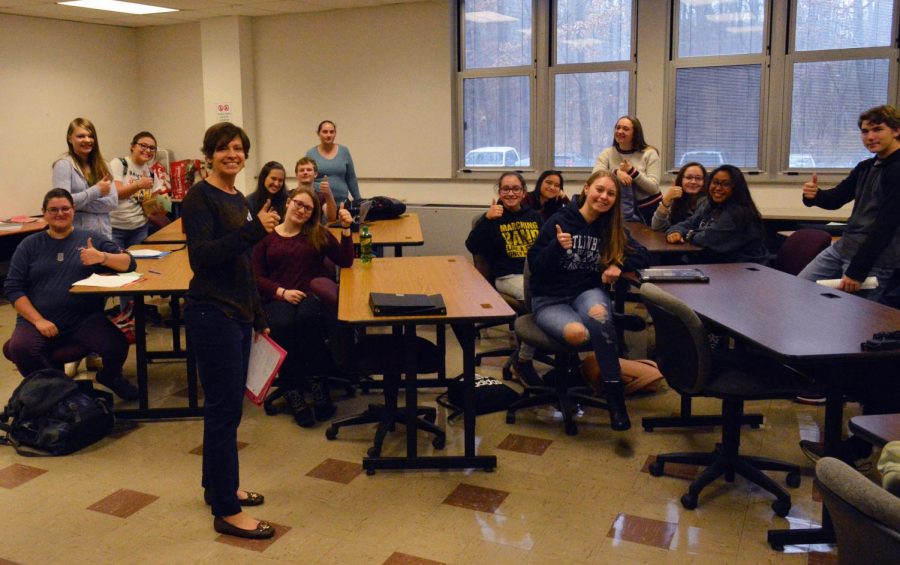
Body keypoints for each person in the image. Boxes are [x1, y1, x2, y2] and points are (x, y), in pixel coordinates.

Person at [182, 122, 280, 540]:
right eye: (223, 149)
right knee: (224, 413)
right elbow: (203, 259)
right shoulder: (198, 197)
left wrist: (258, 316)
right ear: (209, 154)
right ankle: (227, 509)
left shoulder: (237, 196)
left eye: (239, 149)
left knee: (226, 411)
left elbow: (243, 264)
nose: (232, 155)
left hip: (238, 313)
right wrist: (254, 229)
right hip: (212, 313)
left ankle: (217, 487)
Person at [527, 170, 650, 431]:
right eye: (599, 190)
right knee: (578, 335)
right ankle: (606, 328)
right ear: (586, 189)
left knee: (599, 316)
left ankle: (616, 402)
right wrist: (556, 248)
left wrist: (618, 263)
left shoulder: (611, 227)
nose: (604, 197)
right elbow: (536, 266)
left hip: (585, 292)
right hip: (550, 299)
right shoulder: (560, 220)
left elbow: (644, 256)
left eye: (611, 194)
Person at [3, 189, 138, 401]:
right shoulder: (29, 245)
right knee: (20, 348)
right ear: (44, 213)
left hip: (82, 318)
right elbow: (13, 288)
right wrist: (38, 321)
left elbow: (129, 263)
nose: (60, 213)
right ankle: (59, 392)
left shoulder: (90, 239)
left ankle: (110, 377)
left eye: (65, 208)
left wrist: (101, 257)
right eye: (53, 209)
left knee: (117, 345)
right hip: (37, 320)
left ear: (73, 210)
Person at [252, 187, 354, 426]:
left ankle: (318, 385)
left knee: (308, 321)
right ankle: (292, 391)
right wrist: (282, 292)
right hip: (278, 296)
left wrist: (347, 229)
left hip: (310, 295)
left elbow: (345, 261)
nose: (302, 210)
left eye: (308, 208)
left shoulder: (317, 233)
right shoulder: (266, 235)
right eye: (298, 204)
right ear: (288, 203)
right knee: (283, 324)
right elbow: (255, 276)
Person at [798, 104, 900, 303]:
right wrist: (814, 196)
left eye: (878, 129)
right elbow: (836, 199)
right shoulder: (867, 167)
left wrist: (857, 271)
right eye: (865, 131)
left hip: (875, 260)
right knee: (799, 290)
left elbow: (885, 227)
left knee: (853, 320)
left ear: (897, 130)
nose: (870, 137)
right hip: (843, 248)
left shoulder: (896, 170)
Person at [465, 173, 543, 386]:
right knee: (540, 299)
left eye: (515, 189)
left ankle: (568, 358)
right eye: (505, 189)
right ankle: (523, 360)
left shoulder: (535, 217)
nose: (510, 193)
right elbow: (472, 246)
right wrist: (487, 220)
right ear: (499, 192)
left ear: (524, 192)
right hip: (508, 277)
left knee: (563, 296)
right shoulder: (492, 218)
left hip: (536, 275)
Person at [665, 165, 768, 264]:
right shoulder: (710, 206)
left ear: (736, 188)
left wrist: (687, 234)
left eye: (725, 184)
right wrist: (675, 232)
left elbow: (707, 239)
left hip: (741, 271)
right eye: (715, 183)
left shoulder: (737, 213)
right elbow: (687, 223)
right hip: (717, 266)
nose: (718, 188)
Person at [52, 117, 117, 238]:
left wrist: (78, 204)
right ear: (69, 138)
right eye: (81, 136)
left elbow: (112, 203)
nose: (87, 140)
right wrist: (96, 191)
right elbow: (62, 203)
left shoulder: (104, 165)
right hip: (77, 236)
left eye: (91, 136)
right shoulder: (63, 165)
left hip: (104, 234)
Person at [593, 115, 661, 223]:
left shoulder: (650, 154)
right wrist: (616, 172)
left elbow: (653, 187)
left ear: (635, 133)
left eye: (625, 129)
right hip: (620, 210)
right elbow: (595, 176)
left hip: (648, 210)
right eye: (618, 127)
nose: (620, 131)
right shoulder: (607, 153)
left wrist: (632, 172)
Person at [109, 131, 167, 249]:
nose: (148, 150)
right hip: (115, 228)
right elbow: (117, 194)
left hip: (139, 227)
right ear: (132, 146)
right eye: (143, 145)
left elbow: (154, 201)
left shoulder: (150, 172)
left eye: (152, 148)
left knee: (139, 264)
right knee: (117, 265)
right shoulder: (119, 164)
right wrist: (139, 185)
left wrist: (163, 206)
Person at [304, 120, 361, 205]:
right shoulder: (311, 154)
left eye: (332, 132)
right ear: (318, 133)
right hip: (320, 203)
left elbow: (351, 178)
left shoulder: (344, 151)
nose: (328, 135)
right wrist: (319, 188)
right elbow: (306, 179)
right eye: (325, 132)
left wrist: (358, 200)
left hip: (342, 203)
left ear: (335, 133)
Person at [651, 162, 707, 232]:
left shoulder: (708, 202)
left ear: (704, 181)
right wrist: (665, 201)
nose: (693, 182)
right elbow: (657, 227)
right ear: (681, 180)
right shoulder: (677, 200)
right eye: (688, 177)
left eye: (698, 178)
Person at [295, 156, 338, 223]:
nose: (305, 172)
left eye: (309, 170)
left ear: (315, 174)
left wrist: (328, 194)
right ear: (296, 175)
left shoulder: (321, 196)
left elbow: (332, 217)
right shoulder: (289, 194)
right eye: (301, 170)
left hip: (314, 232)